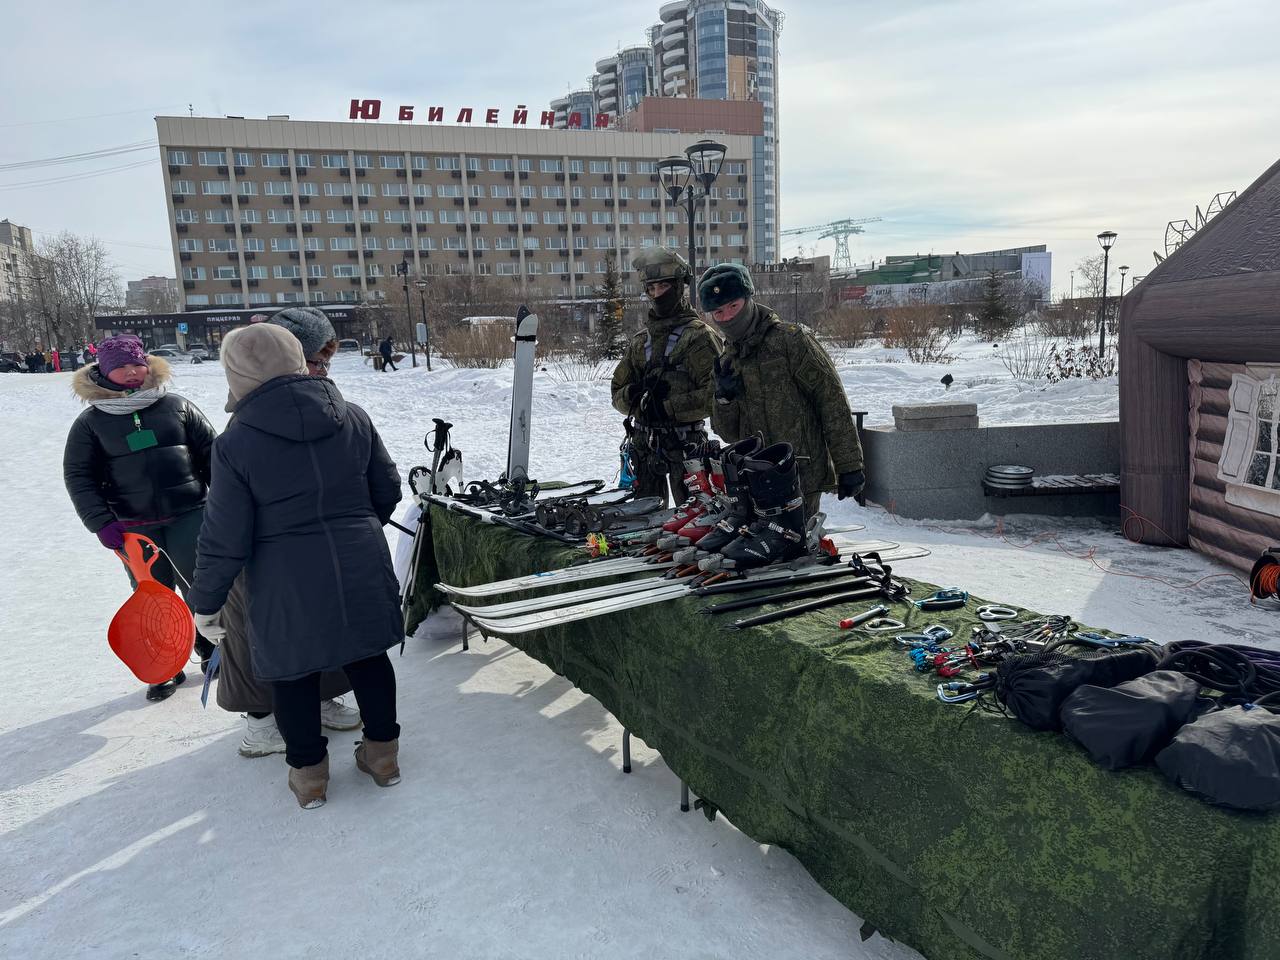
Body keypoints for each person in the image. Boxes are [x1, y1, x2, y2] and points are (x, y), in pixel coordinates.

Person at [189, 324, 404, 810]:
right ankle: (383, 756)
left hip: (284, 578)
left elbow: (224, 535)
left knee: (292, 673)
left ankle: (309, 777)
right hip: (361, 561)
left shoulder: (235, 443)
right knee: (368, 656)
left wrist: (206, 604)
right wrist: (354, 528)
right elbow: (387, 491)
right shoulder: (353, 418)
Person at [213, 307, 361, 758]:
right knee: (252, 633)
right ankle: (260, 720)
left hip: (312, 550)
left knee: (318, 625)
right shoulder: (243, 426)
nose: (321, 371)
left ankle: (320, 698)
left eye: (325, 362)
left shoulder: (330, 408)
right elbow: (225, 520)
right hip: (260, 555)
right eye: (314, 360)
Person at [63, 334, 219, 701]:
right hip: (133, 527)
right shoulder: (90, 424)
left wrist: (225, 502)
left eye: (137, 364)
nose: (132, 372)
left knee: (202, 585)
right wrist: (101, 521)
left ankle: (210, 647)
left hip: (191, 514)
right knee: (152, 596)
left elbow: (213, 454)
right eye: (120, 367)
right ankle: (164, 665)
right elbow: (78, 476)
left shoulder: (177, 406)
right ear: (103, 372)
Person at [701, 263, 865, 519]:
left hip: (800, 474)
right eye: (718, 312)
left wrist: (849, 464)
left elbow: (830, 400)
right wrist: (724, 400)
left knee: (800, 550)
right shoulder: (726, 362)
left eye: (734, 306)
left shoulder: (790, 341)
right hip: (755, 479)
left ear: (748, 298)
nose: (728, 317)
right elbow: (729, 433)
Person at [609, 250, 719, 506]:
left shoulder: (699, 338)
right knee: (642, 523)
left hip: (687, 446)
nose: (658, 294)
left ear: (679, 286)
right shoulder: (641, 341)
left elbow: (717, 395)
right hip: (644, 447)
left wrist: (668, 407)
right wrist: (634, 395)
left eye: (664, 286)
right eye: (652, 288)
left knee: (695, 523)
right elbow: (617, 393)